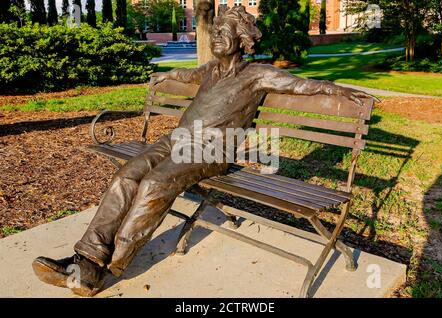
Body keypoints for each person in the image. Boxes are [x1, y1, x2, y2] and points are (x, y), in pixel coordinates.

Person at [32, 5, 372, 297]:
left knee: (154, 183)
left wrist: (339, 89)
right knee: (126, 176)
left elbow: (303, 85)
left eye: (224, 32)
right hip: (177, 140)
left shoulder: (257, 75)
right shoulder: (210, 70)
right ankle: (86, 257)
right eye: (215, 32)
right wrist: (161, 77)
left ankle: (103, 269)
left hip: (210, 151)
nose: (216, 37)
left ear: (242, 39)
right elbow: (185, 73)